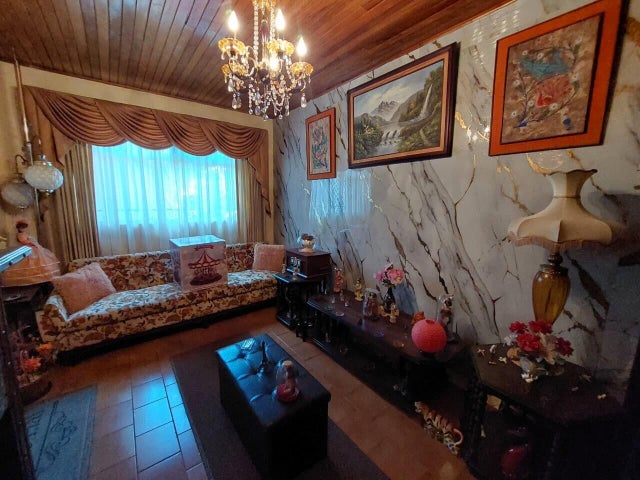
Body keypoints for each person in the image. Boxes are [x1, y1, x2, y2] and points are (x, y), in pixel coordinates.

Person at [0, 220, 60, 287]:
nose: (23, 229)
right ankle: (33, 280)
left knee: (40, 260)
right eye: (22, 228)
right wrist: (31, 242)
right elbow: (24, 241)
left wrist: (33, 242)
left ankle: (42, 278)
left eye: (24, 227)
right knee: (30, 262)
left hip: (33, 247)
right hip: (28, 248)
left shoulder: (24, 233)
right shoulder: (20, 235)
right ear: (19, 228)